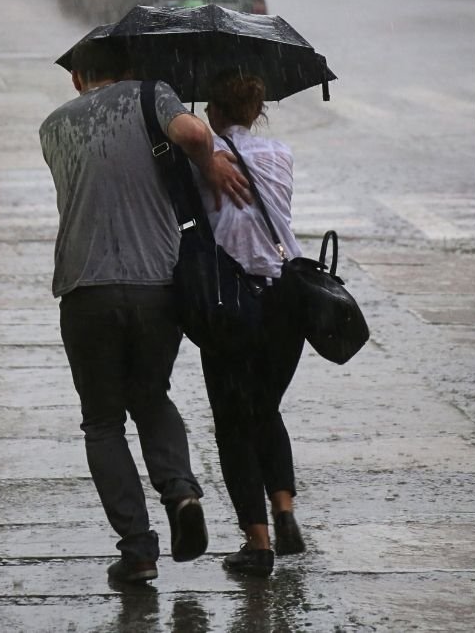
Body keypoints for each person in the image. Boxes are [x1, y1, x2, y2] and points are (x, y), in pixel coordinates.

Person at [39, 47, 250, 585]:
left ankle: (137, 551)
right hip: (156, 284)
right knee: (151, 397)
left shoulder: (52, 126)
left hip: (85, 289)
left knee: (102, 421)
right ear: (129, 68)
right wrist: (209, 162)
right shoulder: (151, 95)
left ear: (78, 77)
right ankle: (180, 494)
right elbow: (196, 134)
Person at [195, 71, 307, 578]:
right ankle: (284, 511)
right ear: (257, 110)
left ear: (213, 110)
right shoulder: (280, 153)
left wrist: (202, 151)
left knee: (232, 421)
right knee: (265, 407)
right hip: (286, 298)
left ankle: (258, 543)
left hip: (231, 299)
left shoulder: (203, 160)